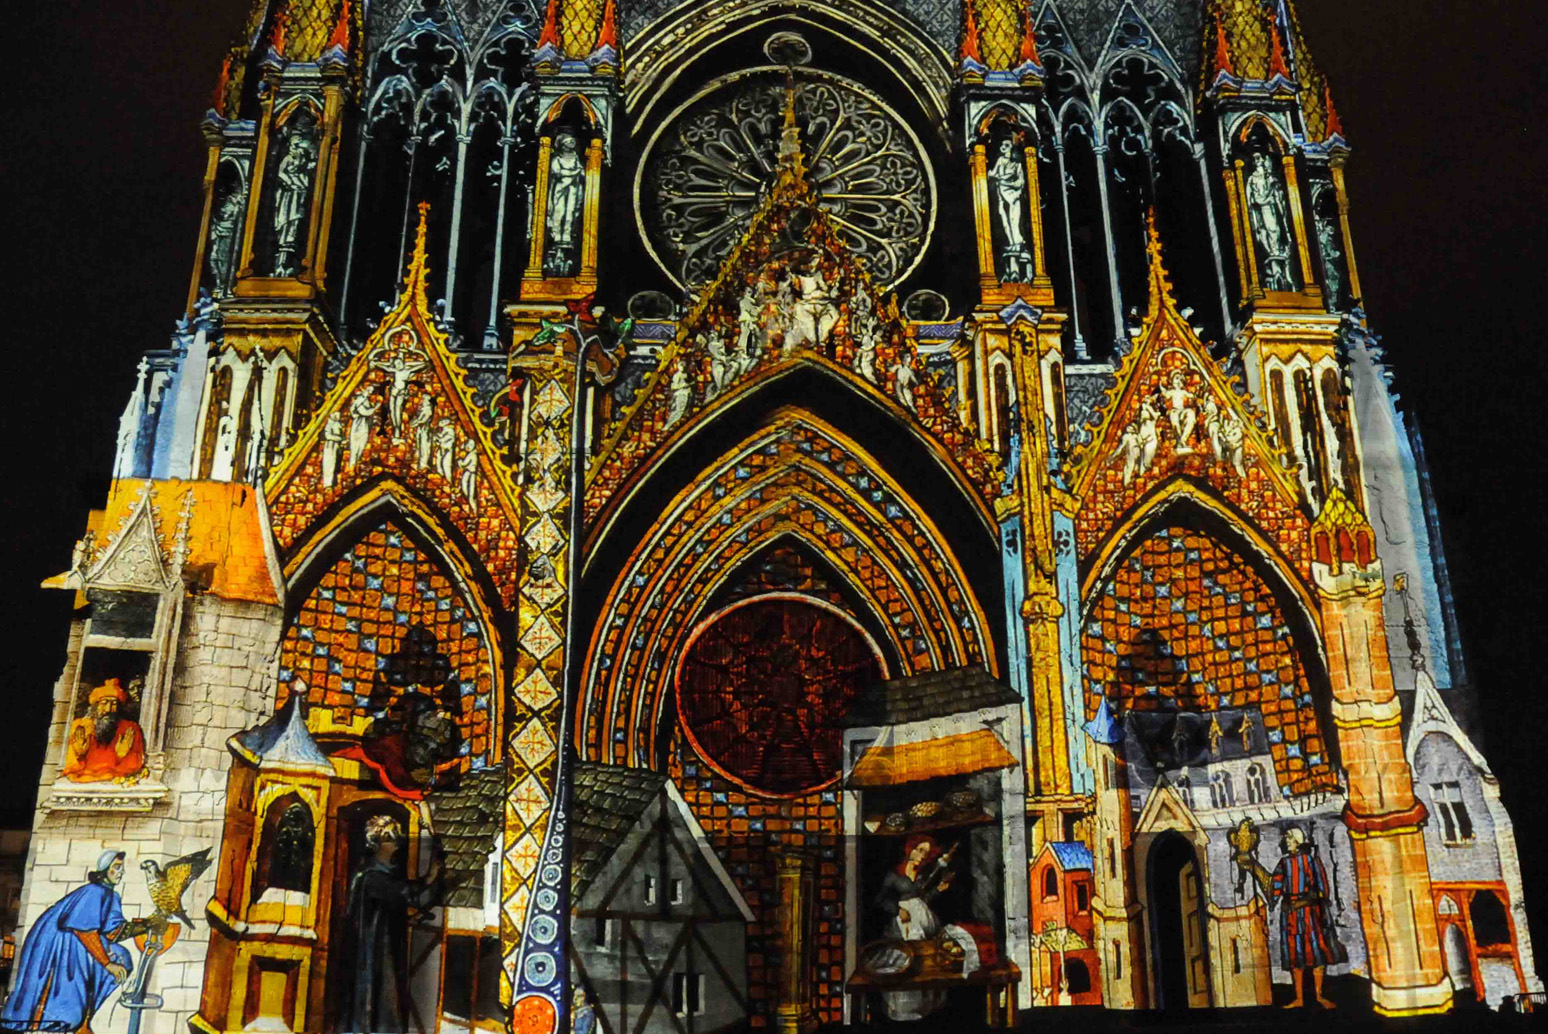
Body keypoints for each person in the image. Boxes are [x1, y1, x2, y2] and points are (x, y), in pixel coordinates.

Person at [0, 851, 142, 1032]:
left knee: (121, 956)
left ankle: (84, 1020)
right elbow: (84, 931)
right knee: (82, 978)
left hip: (79, 941)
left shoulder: (111, 896)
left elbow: (113, 932)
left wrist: (145, 925)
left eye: (121, 868)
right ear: (104, 870)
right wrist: (107, 964)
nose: (121, 872)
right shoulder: (93, 892)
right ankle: (62, 1021)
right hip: (60, 944)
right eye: (116, 867)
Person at [340, 816, 442, 1033]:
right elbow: (404, 893)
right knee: (380, 1006)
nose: (396, 845)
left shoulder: (375, 876)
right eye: (391, 839)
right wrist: (428, 878)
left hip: (379, 951)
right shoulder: (372, 878)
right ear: (378, 844)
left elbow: (394, 906)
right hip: (375, 954)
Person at [873, 836, 959, 1020]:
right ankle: (905, 1010)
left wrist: (938, 889)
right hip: (904, 922)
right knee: (907, 959)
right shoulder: (894, 875)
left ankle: (927, 1007)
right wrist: (897, 910)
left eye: (927, 853)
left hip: (924, 919)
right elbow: (880, 900)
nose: (923, 855)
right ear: (910, 850)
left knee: (927, 960)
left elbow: (923, 899)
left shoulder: (921, 876)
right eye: (920, 850)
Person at [1270, 826, 1345, 1008]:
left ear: (1297, 841)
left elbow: (1322, 889)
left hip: (1310, 914)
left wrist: (1305, 902)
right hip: (1290, 915)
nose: (1286, 842)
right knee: (1295, 954)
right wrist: (1276, 900)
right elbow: (1275, 886)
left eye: (1289, 839)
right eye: (1286, 839)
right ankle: (1299, 998)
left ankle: (1319, 995)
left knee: (1317, 951)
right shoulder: (1283, 863)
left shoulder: (1311, 861)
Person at [62, 680, 146, 783]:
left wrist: (122, 756)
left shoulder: (131, 728)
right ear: (95, 706)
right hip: (83, 781)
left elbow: (136, 765)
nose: (108, 709)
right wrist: (79, 755)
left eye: (114, 704)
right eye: (104, 703)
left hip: (115, 782)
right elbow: (69, 766)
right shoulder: (79, 726)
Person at [545, 133, 585, 276]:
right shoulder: (557, 159)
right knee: (559, 213)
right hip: (560, 191)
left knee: (570, 214)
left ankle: (567, 238)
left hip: (573, 191)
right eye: (568, 141)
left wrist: (579, 173)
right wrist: (575, 173)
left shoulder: (576, 159)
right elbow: (557, 172)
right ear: (562, 145)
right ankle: (556, 239)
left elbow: (583, 173)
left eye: (572, 141)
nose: (571, 143)